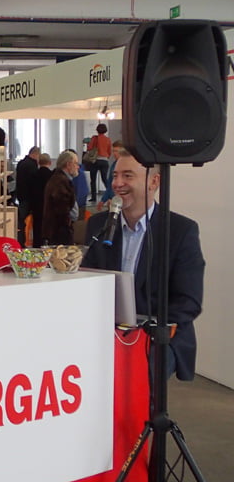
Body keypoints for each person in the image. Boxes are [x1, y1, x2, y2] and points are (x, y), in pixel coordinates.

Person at [82, 150, 204, 381]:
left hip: (157, 337)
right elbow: (87, 281)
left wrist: (143, 328)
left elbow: (189, 301)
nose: (117, 183)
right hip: (106, 330)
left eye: (127, 176)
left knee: (138, 377)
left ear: (154, 182)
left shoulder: (180, 231)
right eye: (115, 175)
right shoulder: (99, 225)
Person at [42, 150, 79, 246]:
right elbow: (62, 208)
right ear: (68, 164)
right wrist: (68, 223)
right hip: (59, 231)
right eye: (76, 163)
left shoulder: (60, 179)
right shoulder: (60, 181)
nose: (78, 167)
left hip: (59, 229)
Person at [15, 146, 40, 245]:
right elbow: (33, 184)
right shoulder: (32, 166)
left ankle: (20, 240)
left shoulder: (21, 163)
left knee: (21, 220)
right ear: (35, 154)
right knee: (24, 220)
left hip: (21, 195)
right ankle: (23, 241)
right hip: (28, 197)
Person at [28, 153, 52, 247]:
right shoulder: (51, 176)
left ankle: (37, 246)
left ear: (38, 162)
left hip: (36, 206)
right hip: (48, 206)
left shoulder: (33, 175)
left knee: (37, 228)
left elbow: (30, 192)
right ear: (50, 162)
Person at [86, 124, 112, 202]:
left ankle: (93, 197)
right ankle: (111, 194)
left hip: (95, 160)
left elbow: (89, 148)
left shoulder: (95, 138)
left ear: (97, 130)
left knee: (93, 180)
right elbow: (109, 151)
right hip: (104, 161)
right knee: (104, 179)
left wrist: (88, 144)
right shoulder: (108, 139)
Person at [98, 140, 124, 210]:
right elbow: (110, 184)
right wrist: (103, 200)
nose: (114, 154)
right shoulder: (113, 165)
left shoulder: (126, 165)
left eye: (116, 151)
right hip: (112, 199)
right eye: (113, 151)